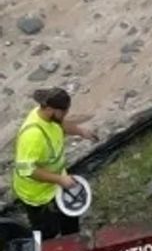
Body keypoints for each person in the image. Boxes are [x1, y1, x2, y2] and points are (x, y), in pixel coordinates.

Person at [12, 88, 94, 239]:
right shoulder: (32, 136)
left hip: (56, 184)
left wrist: (80, 131)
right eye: (63, 112)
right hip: (37, 195)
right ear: (49, 109)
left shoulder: (50, 117)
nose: (65, 115)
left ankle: (72, 244)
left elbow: (61, 124)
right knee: (47, 231)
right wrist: (60, 179)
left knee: (69, 219)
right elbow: (28, 171)